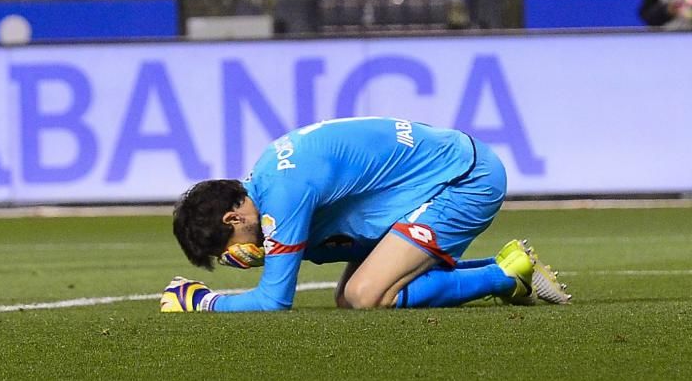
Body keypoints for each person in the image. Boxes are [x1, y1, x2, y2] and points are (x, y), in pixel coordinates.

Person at [164, 117, 571, 312]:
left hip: (464, 180)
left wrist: (203, 301)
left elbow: (274, 301)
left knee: (366, 296)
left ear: (232, 220)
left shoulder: (283, 197)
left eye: (228, 251)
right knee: (347, 297)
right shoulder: (269, 180)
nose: (239, 259)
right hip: (439, 173)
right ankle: (503, 263)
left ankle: (506, 277)